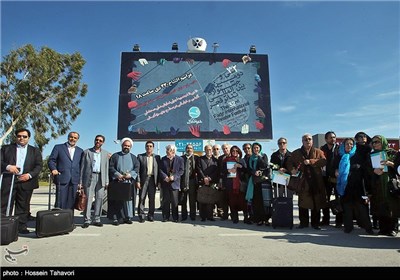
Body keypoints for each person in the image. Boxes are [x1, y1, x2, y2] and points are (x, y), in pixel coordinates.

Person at [1, 128, 43, 234]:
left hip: (26, 181)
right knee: (5, 204)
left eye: (24, 136)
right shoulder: (6, 148)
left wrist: (29, 175)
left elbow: (38, 166)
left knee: (23, 206)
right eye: (19, 136)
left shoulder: (35, 151)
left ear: (28, 138)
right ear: (16, 137)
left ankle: (21, 226)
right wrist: (8, 167)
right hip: (9, 180)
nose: (21, 138)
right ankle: (3, 225)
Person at [287, 133, 327, 230]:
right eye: (305, 139)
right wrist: (292, 169)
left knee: (316, 203)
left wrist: (311, 161)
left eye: (309, 139)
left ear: (312, 141)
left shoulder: (318, 151)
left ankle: (315, 223)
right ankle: (303, 223)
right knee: (302, 203)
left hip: (316, 182)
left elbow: (324, 161)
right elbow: (289, 162)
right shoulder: (296, 153)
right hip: (303, 182)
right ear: (302, 141)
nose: (308, 141)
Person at [334, 138, 373, 235]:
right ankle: (348, 227)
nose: (349, 146)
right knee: (347, 209)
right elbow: (332, 167)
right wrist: (335, 171)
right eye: (347, 144)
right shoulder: (339, 156)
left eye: (351, 144)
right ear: (343, 145)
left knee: (362, 209)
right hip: (345, 187)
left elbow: (365, 171)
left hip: (358, 186)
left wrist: (368, 189)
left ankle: (368, 228)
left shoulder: (358, 156)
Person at [368, 135, 399, 236]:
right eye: (373, 142)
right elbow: (367, 170)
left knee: (392, 206)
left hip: (391, 183)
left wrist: (391, 164)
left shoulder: (393, 153)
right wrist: (374, 171)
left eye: (377, 142)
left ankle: (393, 228)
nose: (375, 144)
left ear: (383, 142)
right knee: (381, 206)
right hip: (378, 184)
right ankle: (383, 228)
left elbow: (398, 167)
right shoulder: (371, 155)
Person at [48, 131, 83, 210]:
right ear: (68, 137)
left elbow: (81, 166)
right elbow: (51, 160)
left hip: (74, 180)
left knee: (71, 202)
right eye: (71, 137)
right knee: (60, 202)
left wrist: (80, 181)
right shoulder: (58, 147)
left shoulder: (80, 151)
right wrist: (54, 169)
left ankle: (69, 220)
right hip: (62, 178)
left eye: (75, 138)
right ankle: (59, 220)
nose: (73, 139)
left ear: (77, 139)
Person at [80, 135, 110, 228]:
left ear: (103, 143)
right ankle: (87, 220)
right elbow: (82, 167)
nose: (98, 141)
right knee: (88, 198)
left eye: (100, 140)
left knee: (99, 199)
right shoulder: (87, 152)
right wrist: (80, 181)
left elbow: (106, 167)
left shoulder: (105, 153)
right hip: (89, 177)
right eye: (97, 140)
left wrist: (107, 181)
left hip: (101, 177)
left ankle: (97, 219)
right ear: (94, 141)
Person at [108, 137, 139, 225]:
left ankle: (127, 217)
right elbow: (111, 167)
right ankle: (117, 218)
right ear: (122, 145)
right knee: (117, 200)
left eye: (128, 146)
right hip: (117, 182)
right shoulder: (115, 156)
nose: (126, 147)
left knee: (128, 200)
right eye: (125, 145)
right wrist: (118, 175)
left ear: (131, 147)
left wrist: (131, 175)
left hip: (128, 183)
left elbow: (137, 168)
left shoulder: (134, 157)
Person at [320, 131, 342, 227]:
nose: (333, 139)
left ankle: (339, 221)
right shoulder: (322, 149)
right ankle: (325, 220)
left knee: (339, 199)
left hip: (336, 177)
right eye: (330, 137)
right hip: (325, 178)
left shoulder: (339, 148)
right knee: (325, 199)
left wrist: (338, 170)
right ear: (326, 139)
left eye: (334, 137)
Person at [221, 146, 247, 223]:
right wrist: (228, 170)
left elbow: (246, 170)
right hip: (230, 183)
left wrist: (240, 166)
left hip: (240, 184)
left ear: (239, 152)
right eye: (233, 151)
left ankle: (246, 217)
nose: (235, 152)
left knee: (243, 202)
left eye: (236, 151)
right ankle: (235, 217)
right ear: (231, 152)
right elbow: (222, 171)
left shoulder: (241, 160)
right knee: (232, 201)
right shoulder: (226, 160)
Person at [245, 142, 270, 226]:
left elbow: (265, 165)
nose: (256, 149)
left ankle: (266, 219)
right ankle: (258, 219)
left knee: (265, 201)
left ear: (260, 148)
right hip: (254, 181)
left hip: (263, 181)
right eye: (254, 148)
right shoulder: (250, 158)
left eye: (257, 148)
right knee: (256, 201)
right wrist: (254, 172)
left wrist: (259, 157)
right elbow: (248, 169)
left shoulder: (263, 155)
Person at [136, 141, 161, 223]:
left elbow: (159, 170)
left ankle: (151, 215)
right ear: (145, 147)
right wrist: (138, 181)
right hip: (144, 180)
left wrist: (159, 182)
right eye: (147, 146)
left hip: (153, 180)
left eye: (150, 146)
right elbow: (137, 171)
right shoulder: (140, 157)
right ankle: (141, 215)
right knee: (142, 198)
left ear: (153, 148)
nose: (149, 147)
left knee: (152, 199)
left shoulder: (157, 157)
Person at [159, 144, 184, 222]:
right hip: (165, 183)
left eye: (169, 150)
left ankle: (175, 217)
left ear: (173, 151)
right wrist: (164, 177)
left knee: (174, 202)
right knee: (165, 201)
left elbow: (181, 170)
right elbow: (160, 170)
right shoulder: (163, 159)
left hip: (175, 183)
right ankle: (165, 217)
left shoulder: (180, 159)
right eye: (167, 150)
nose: (167, 151)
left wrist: (175, 177)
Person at [197, 144, 220, 222]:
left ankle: (210, 216)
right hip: (202, 181)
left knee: (210, 200)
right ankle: (203, 216)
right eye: (207, 149)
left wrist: (210, 178)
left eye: (210, 149)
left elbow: (217, 171)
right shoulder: (200, 159)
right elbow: (199, 169)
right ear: (205, 150)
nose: (209, 151)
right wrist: (204, 178)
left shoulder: (215, 160)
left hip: (211, 182)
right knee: (202, 199)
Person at [180, 144, 199, 221]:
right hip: (183, 181)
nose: (189, 149)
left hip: (192, 181)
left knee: (192, 199)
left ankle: (193, 215)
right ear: (185, 149)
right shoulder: (181, 158)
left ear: (193, 150)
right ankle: (184, 216)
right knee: (183, 199)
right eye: (187, 148)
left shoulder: (196, 158)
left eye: (190, 148)